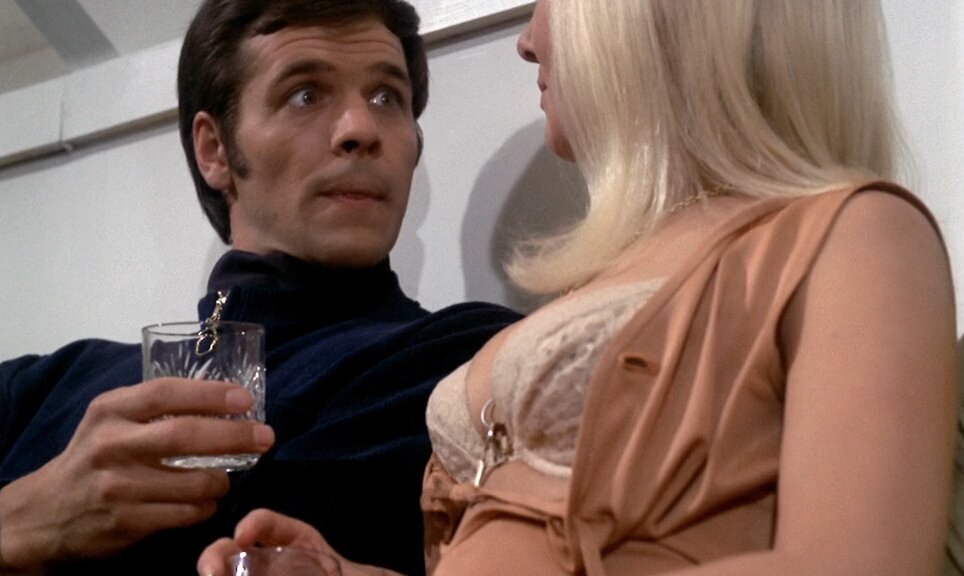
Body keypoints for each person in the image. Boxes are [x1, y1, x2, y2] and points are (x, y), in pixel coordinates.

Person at [197, 0, 960, 575]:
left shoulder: (854, 233)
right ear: (214, 149)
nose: (527, 38)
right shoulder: (595, 282)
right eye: (305, 95)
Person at [0, 0, 521, 574]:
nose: (361, 129)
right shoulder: (39, 389)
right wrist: (24, 519)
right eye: (305, 95)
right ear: (215, 150)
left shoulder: (468, 364)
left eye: (386, 97)